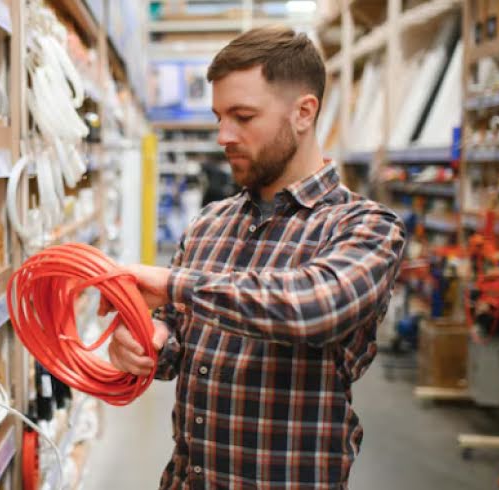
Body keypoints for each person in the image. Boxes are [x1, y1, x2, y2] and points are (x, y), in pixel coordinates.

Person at [105, 27, 406, 489]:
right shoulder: (209, 224)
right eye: (219, 116)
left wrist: (173, 284)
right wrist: (144, 340)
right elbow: (174, 350)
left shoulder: (364, 227)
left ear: (304, 112)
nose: (224, 135)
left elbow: (313, 306)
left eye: (243, 116)